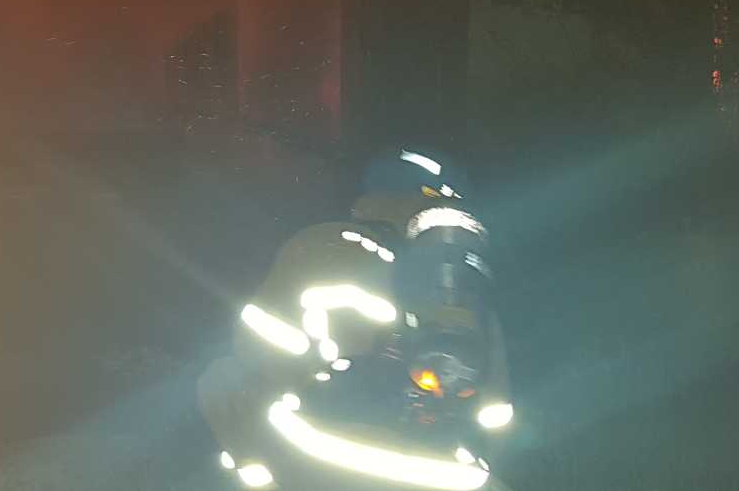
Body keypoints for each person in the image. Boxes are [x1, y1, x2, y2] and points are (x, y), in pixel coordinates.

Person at [197, 144, 512, 490]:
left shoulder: (324, 243)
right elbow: (496, 414)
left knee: (220, 378)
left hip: (317, 457)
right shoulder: (471, 297)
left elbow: (257, 352)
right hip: (447, 476)